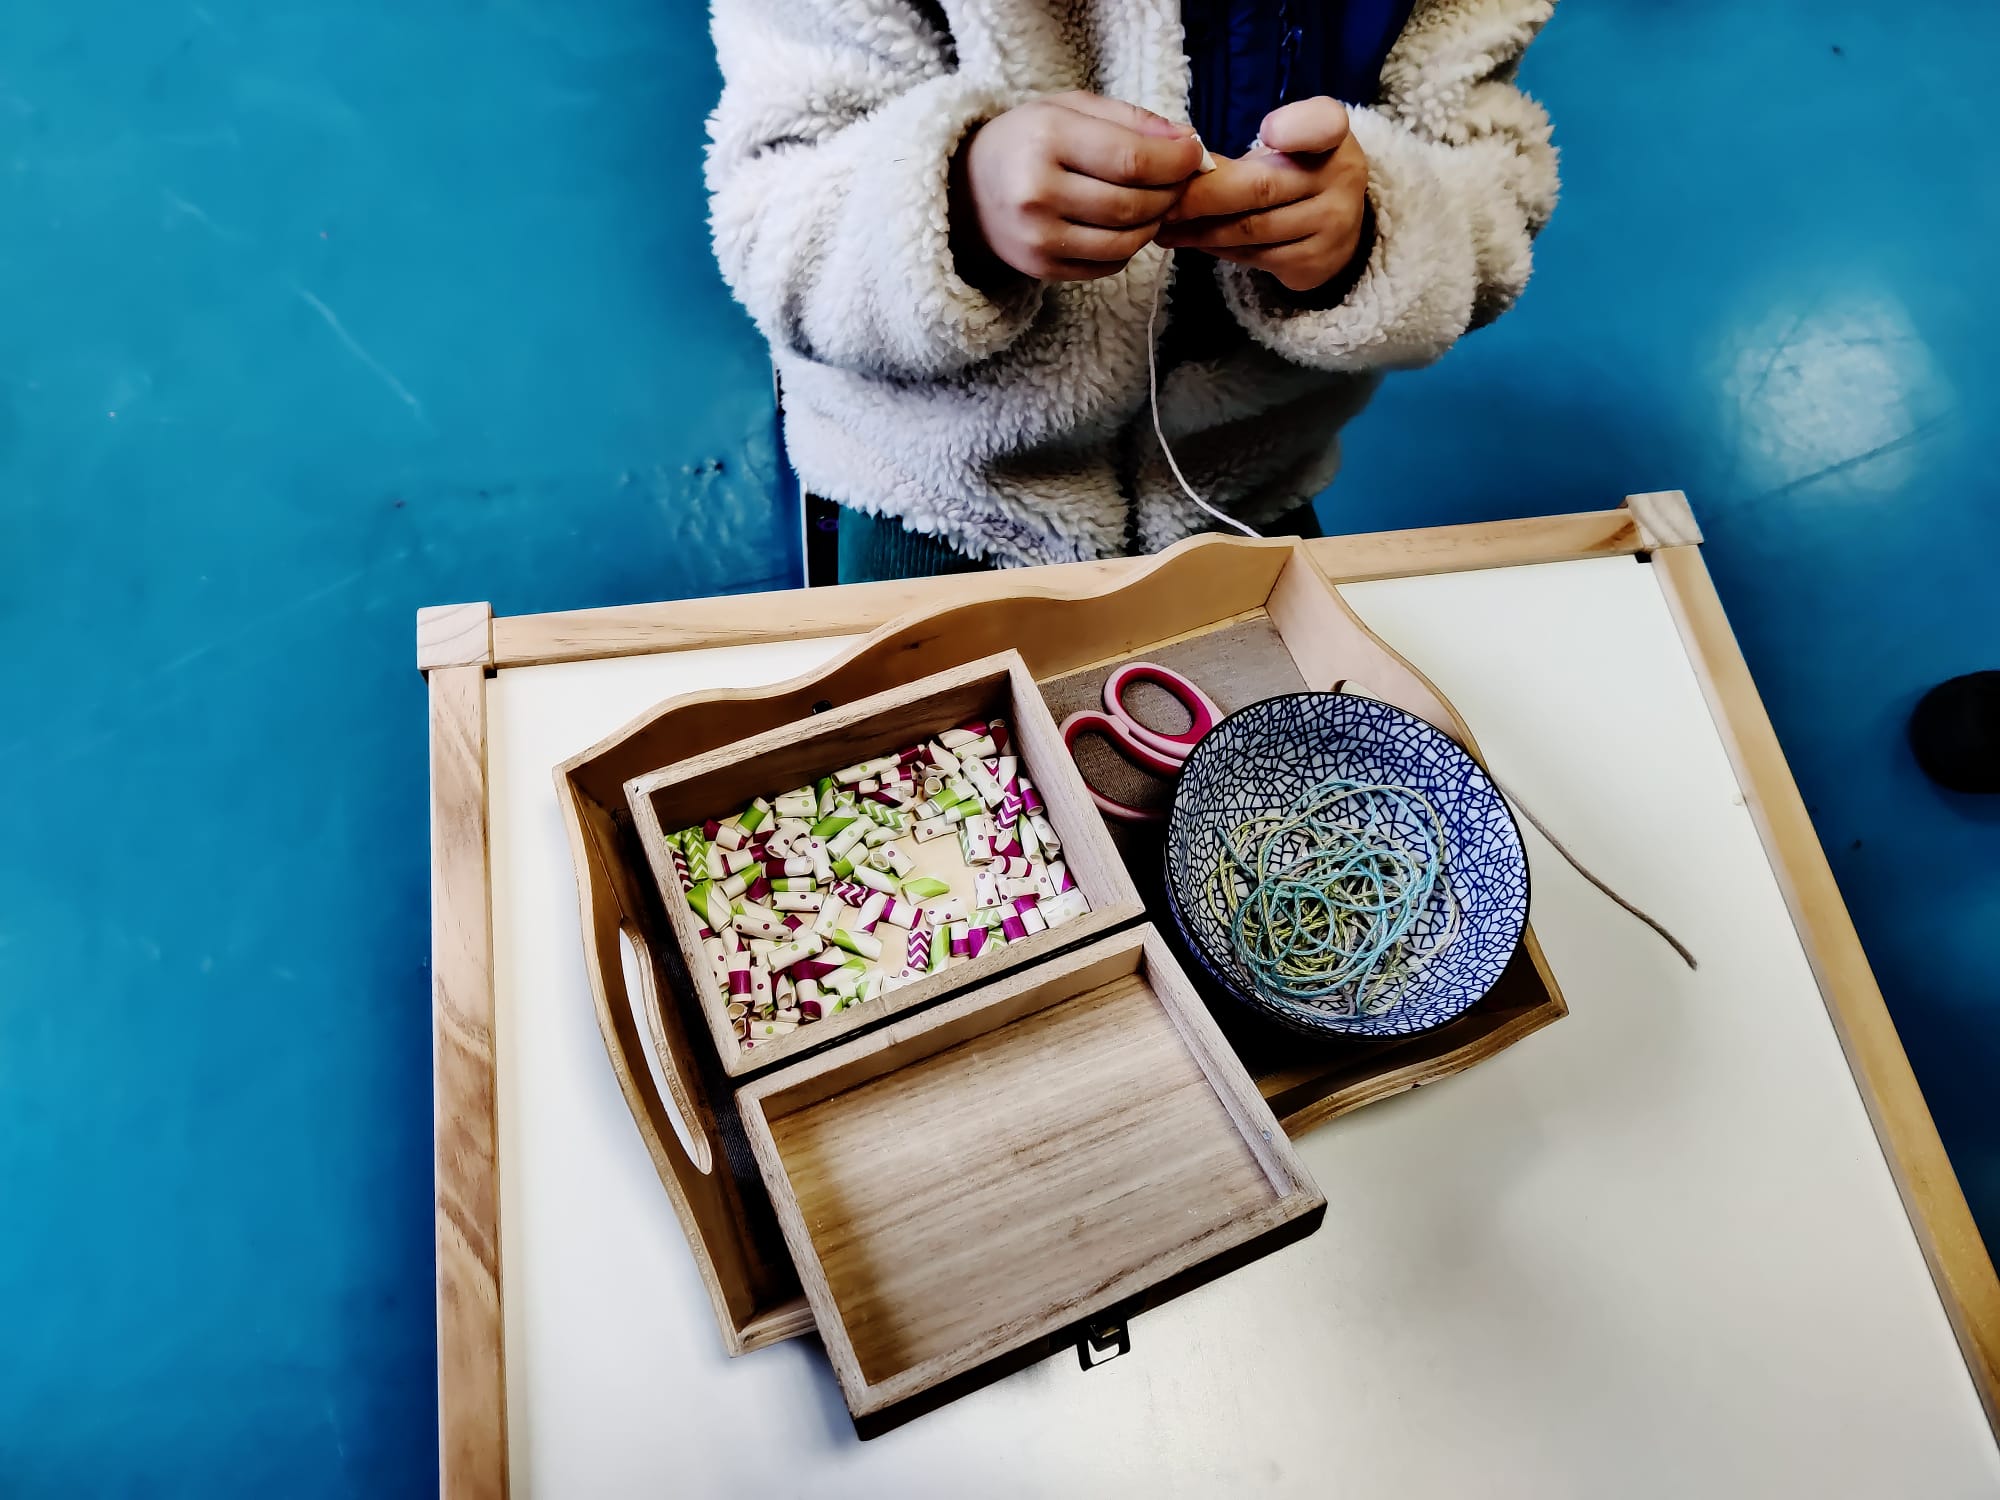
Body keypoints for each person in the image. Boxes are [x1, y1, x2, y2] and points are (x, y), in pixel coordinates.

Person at [707, 1, 1558, 582]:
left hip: (1251, 507)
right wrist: (957, 197)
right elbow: (773, 222)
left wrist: (1373, 226)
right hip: (932, 507)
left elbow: (1496, 187)